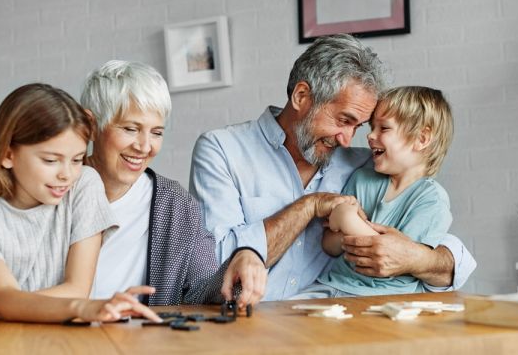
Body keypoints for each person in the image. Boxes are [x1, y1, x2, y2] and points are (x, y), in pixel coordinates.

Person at [190, 34, 476, 301]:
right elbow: (215, 268)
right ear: (302, 96)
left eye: (358, 126)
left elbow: (434, 241)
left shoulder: (366, 164)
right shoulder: (222, 150)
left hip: (337, 321)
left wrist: (420, 258)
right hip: (252, 326)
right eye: (343, 120)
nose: (348, 139)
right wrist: (311, 205)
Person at [0, 84, 160, 324]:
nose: (66, 174)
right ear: (7, 155)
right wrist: (82, 308)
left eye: (77, 159)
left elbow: (77, 289)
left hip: (67, 339)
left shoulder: (84, 184)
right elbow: (5, 296)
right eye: (50, 160)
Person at [81, 60, 266, 309]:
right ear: (91, 126)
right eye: (130, 129)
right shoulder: (54, 191)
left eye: (156, 132)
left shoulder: (175, 203)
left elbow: (202, 290)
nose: (145, 146)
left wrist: (241, 259)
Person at [297, 86, 455, 298]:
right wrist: (348, 226)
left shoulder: (431, 200)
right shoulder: (362, 178)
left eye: (384, 128)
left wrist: (346, 219)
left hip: (389, 296)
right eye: (372, 127)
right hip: (332, 285)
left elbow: (387, 259)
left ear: (422, 139)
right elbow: (329, 245)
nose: (370, 135)